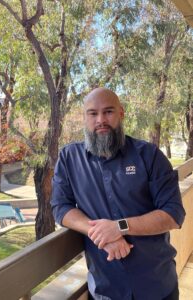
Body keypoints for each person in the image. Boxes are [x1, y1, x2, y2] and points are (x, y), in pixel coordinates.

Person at [51, 87, 185, 300]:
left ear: (121, 113)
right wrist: (102, 234)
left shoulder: (149, 155)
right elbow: (60, 207)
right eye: (93, 113)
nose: (101, 120)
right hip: (106, 290)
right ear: (85, 117)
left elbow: (174, 214)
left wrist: (118, 227)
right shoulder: (69, 158)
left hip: (157, 286)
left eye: (109, 111)